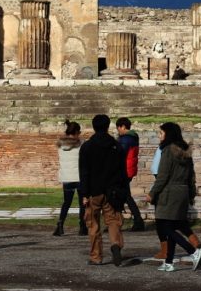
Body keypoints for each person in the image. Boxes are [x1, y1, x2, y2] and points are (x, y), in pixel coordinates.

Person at [147, 122, 201, 272]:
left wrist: (152, 193)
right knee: (172, 226)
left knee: (165, 227)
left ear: (168, 134)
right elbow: (192, 176)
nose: (159, 136)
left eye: (161, 133)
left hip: (169, 193)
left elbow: (163, 176)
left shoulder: (167, 151)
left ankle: (193, 251)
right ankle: (169, 262)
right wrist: (191, 194)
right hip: (183, 192)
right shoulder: (185, 151)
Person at [78, 114, 126, 267]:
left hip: (94, 191)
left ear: (94, 127)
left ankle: (96, 256)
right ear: (108, 126)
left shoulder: (87, 146)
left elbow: (84, 172)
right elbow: (122, 171)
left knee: (93, 225)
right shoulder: (116, 146)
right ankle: (115, 244)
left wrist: (84, 194)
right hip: (112, 190)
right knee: (113, 221)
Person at [54, 120, 87, 237]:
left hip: (66, 177)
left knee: (66, 203)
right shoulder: (81, 144)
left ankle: (60, 224)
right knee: (82, 203)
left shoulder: (60, 145)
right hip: (79, 177)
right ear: (77, 132)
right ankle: (82, 227)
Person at [116, 117, 145, 232]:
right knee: (124, 195)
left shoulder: (125, 139)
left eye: (119, 128)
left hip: (123, 170)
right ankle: (136, 221)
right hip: (129, 170)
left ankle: (117, 223)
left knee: (123, 196)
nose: (118, 130)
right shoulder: (132, 137)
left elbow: (119, 155)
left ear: (123, 126)